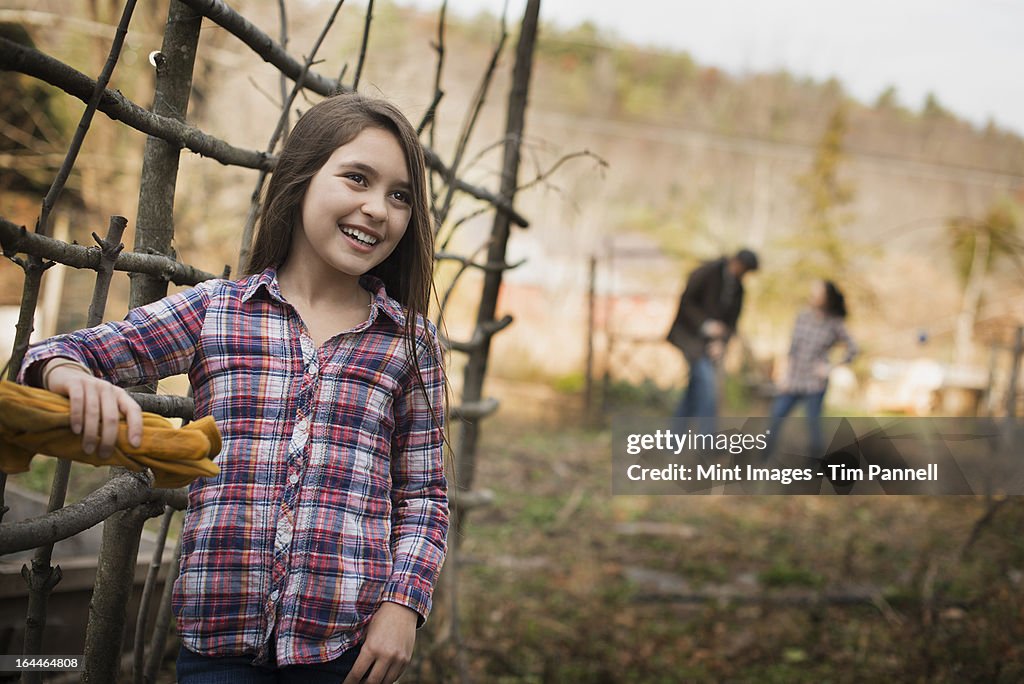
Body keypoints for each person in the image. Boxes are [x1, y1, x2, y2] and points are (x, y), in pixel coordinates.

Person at [18, 94, 448, 684]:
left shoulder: (410, 343)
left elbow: (424, 496)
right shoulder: (217, 313)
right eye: (357, 178)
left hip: (346, 652)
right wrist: (67, 376)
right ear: (301, 179)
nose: (378, 208)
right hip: (218, 647)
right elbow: (57, 353)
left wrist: (403, 606)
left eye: (400, 195)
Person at [667, 248, 759, 430]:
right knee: (708, 388)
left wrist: (721, 343)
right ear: (737, 263)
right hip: (690, 337)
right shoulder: (708, 272)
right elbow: (686, 302)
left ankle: (673, 439)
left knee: (694, 392)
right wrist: (706, 325)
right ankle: (707, 443)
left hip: (711, 345)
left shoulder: (738, 288)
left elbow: (732, 322)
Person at [767, 279, 858, 459]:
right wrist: (785, 374)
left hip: (815, 384)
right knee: (775, 417)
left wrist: (830, 367)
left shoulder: (834, 323)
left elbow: (853, 348)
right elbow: (792, 348)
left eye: (818, 292)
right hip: (793, 380)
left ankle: (815, 465)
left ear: (827, 298)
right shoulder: (803, 316)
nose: (812, 295)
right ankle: (763, 458)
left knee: (812, 424)